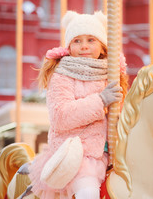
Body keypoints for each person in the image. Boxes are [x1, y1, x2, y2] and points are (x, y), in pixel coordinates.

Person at [29, 11, 128, 199]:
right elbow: (61, 116)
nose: (84, 46)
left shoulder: (111, 75)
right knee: (87, 192)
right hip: (78, 157)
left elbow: (121, 117)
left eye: (91, 40)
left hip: (112, 156)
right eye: (77, 41)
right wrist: (101, 101)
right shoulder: (62, 75)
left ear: (102, 46)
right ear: (69, 46)